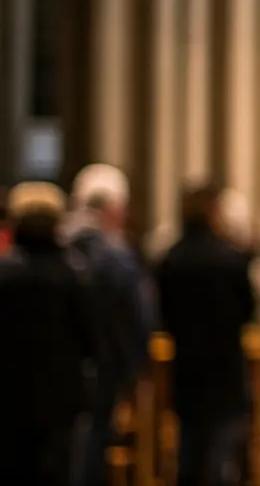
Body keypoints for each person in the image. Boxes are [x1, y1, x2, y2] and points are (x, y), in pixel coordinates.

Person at [157, 184, 257, 486]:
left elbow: (163, 312)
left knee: (189, 438)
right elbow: (247, 310)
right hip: (224, 360)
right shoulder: (231, 259)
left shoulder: (172, 258)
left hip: (186, 361)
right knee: (221, 437)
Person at [0, 182, 99, 485]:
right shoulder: (74, 275)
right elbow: (91, 339)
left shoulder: (5, 274)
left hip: (10, 394)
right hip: (61, 396)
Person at [66, 163, 155, 486]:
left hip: (58, 370)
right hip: (105, 368)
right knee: (92, 449)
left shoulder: (58, 247)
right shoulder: (117, 258)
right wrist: (134, 371)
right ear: (116, 209)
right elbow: (140, 318)